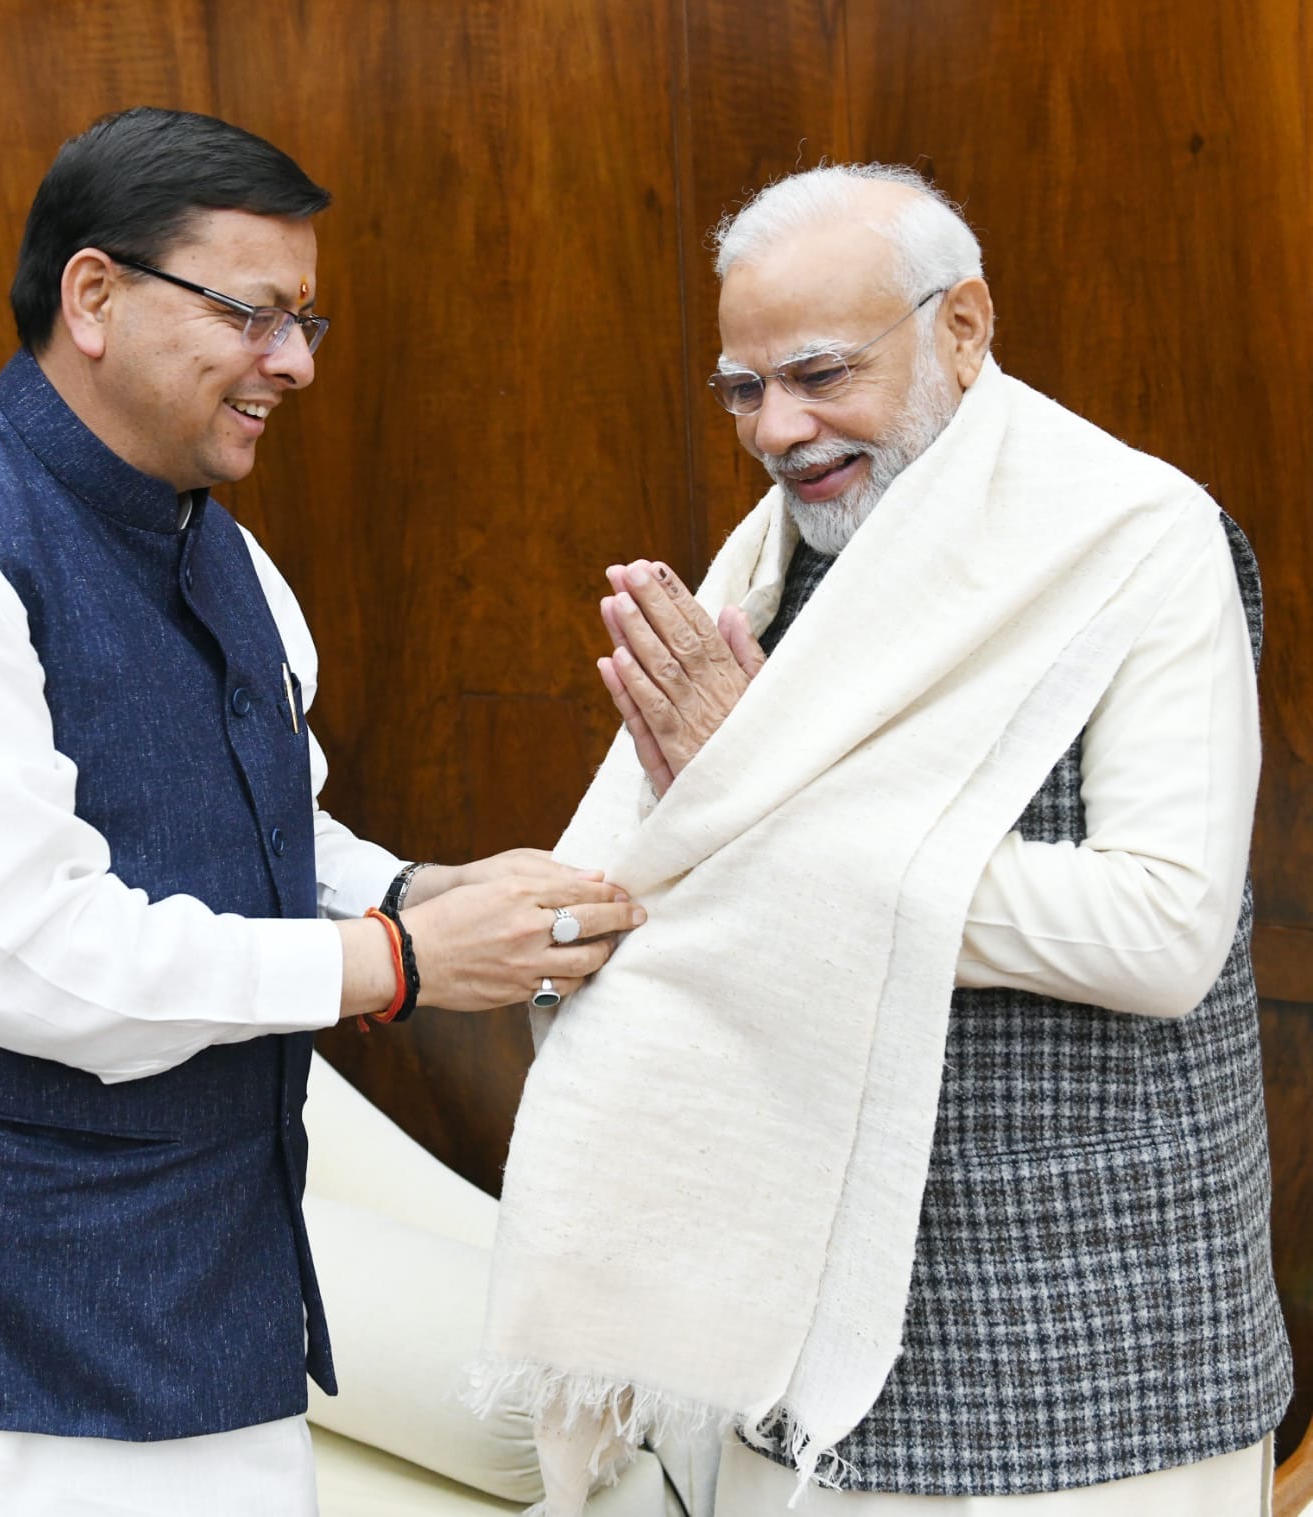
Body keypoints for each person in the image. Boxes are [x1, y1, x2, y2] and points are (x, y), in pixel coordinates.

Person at [0, 106, 641, 1517]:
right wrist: (399, 962)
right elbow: (35, 958)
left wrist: (419, 892)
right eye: (252, 313)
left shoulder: (229, 553)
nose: (295, 362)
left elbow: (278, 834)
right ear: (93, 296)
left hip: (216, 1316)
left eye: (306, 320)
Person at [478, 165, 1290, 1516]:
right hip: (780, 1334)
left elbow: (1161, 932)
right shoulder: (778, 556)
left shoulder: (1137, 538)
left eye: (819, 374)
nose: (777, 430)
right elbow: (679, 876)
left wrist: (770, 814)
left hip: (1080, 1345)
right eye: (743, 388)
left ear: (962, 326)